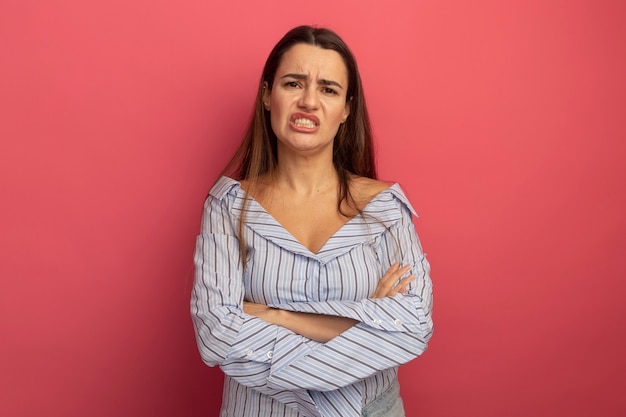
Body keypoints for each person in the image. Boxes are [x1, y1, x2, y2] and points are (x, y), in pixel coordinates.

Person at [191, 25, 433, 417]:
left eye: (328, 89)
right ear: (268, 95)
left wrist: (276, 315)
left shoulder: (385, 208)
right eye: (293, 83)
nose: (308, 101)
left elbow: (413, 327)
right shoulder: (227, 207)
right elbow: (218, 336)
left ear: (347, 109)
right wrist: (367, 318)